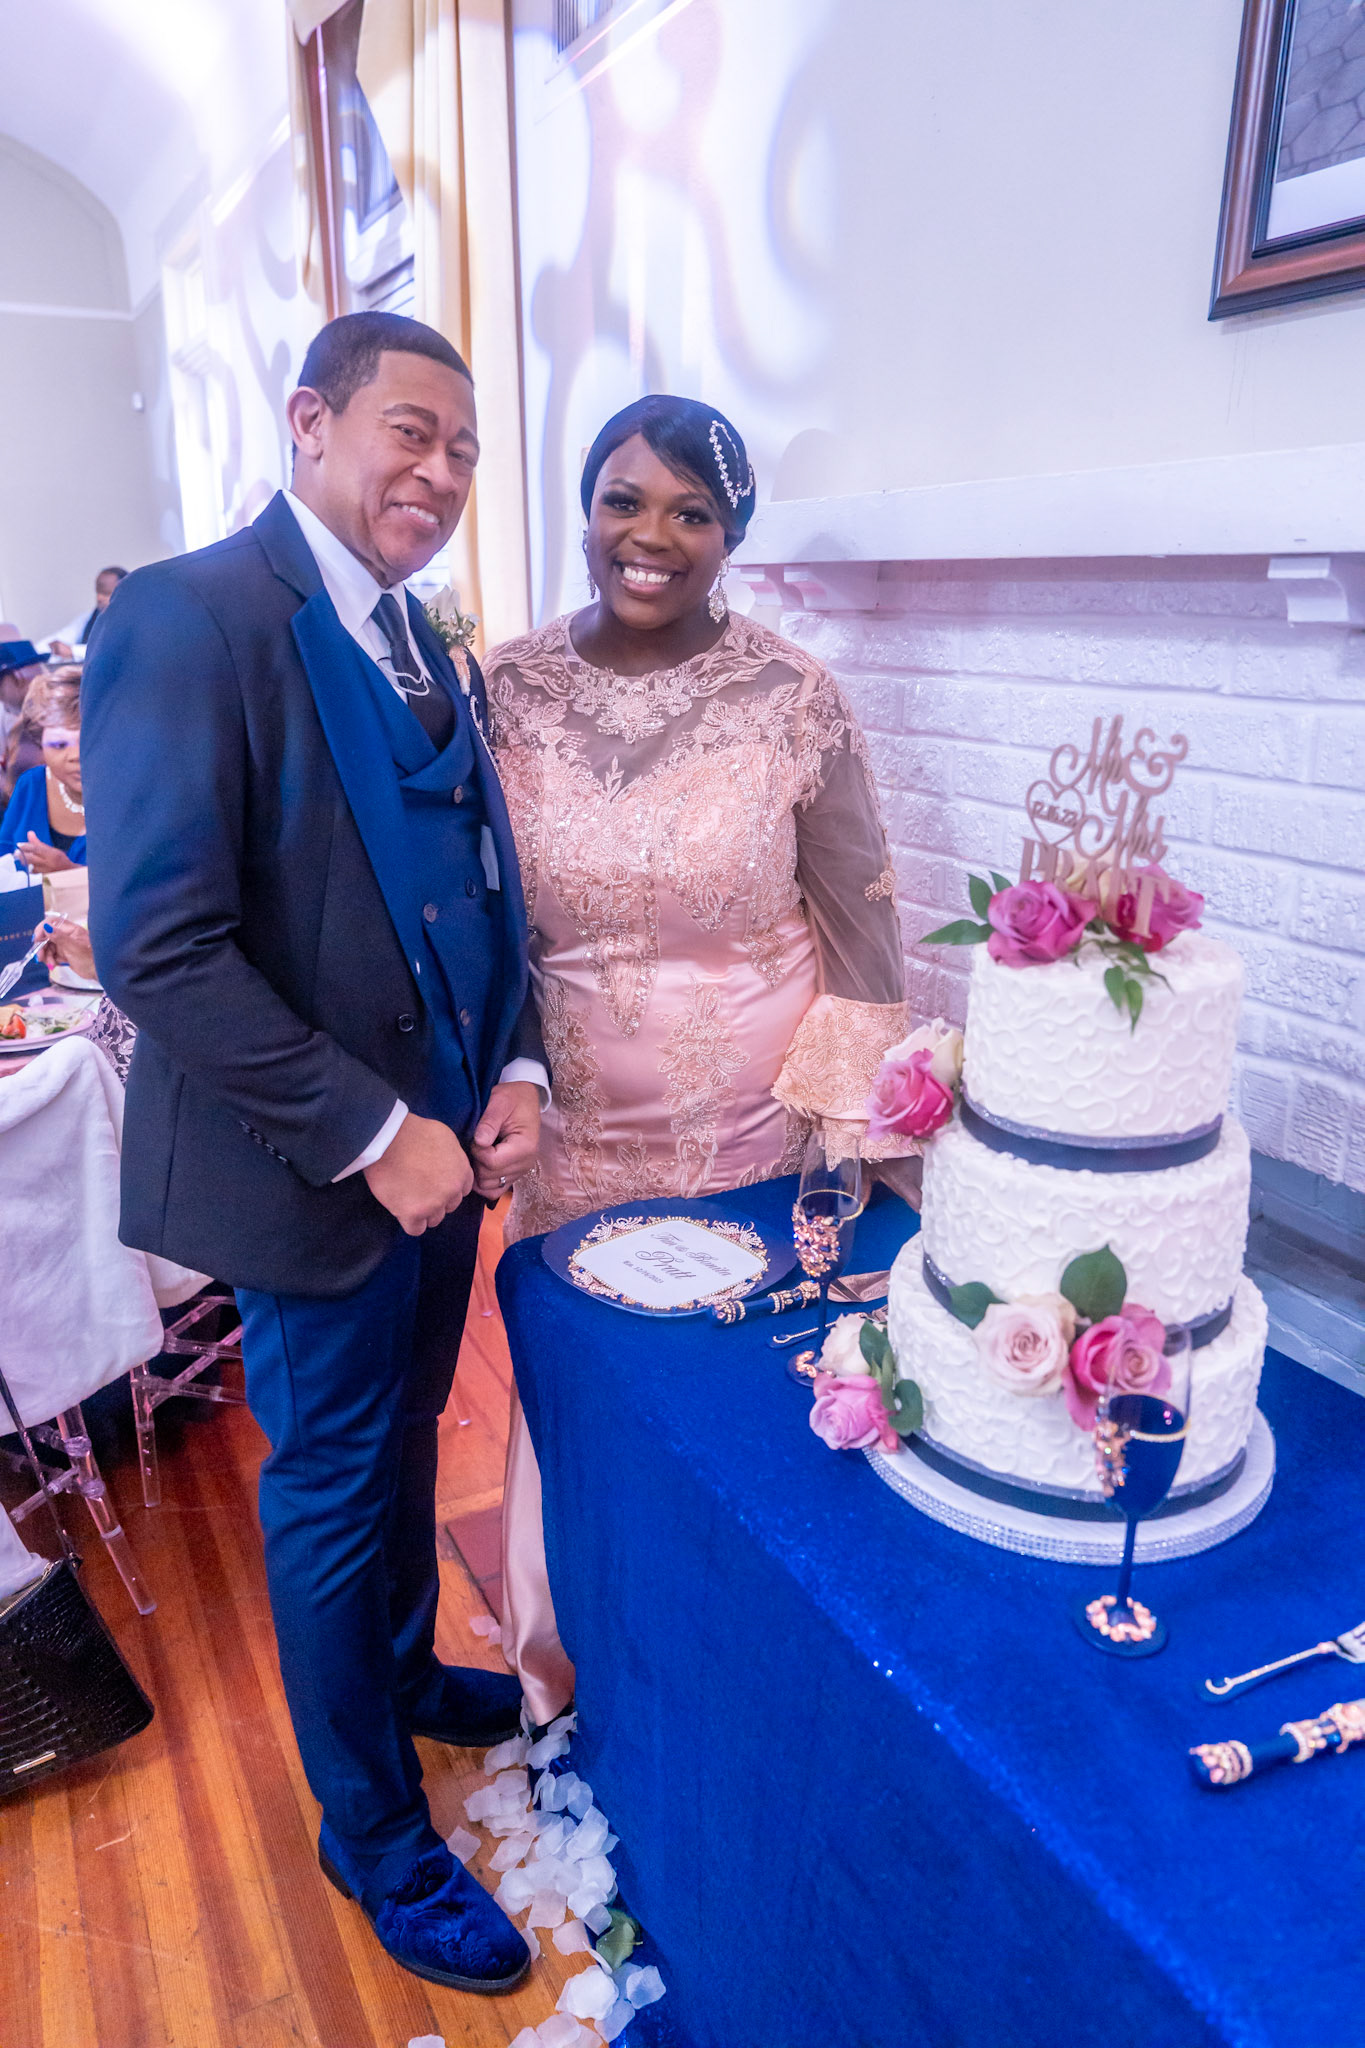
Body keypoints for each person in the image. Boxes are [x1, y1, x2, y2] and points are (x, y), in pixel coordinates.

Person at [82, 311, 548, 1996]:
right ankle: (372, 1832)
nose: (440, 470)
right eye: (410, 430)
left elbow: (479, 883)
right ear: (309, 420)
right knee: (336, 1490)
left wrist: (517, 1062)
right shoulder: (187, 616)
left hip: (450, 1148)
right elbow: (159, 945)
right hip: (312, 1168)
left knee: (409, 1436)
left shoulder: (425, 638)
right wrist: (368, 1132)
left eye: (464, 449)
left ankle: (408, 1673)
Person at [486, 394, 910, 1724]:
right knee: (585, 1393)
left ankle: (732, 1701)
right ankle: (570, 1672)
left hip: (750, 1133)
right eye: (625, 499)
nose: (652, 534)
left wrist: (841, 1138)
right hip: (569, 1129)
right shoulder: (505, 690)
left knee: (732, 1419)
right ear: (585, 508)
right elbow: (469, 912)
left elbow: (863, 927)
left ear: (732, 535)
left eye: (692, 511)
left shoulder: (793, 698)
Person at [0, 669, 85, 872]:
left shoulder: (132, 795)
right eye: (59, 745)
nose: (75, 755)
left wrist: (69, 872)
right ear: (40, 744)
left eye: (86, 741)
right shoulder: (31, 784)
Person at [0, 636, 48, 804]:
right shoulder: (66, 703)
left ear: (17, 676)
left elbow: (18, 798)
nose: (1, 700)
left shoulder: (30, 726)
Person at [46, 564, 127, 657]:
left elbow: (113, 651)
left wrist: (73, 651)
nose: (99, 598)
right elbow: (59, 639)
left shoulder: (131, 623)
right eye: (98, 591)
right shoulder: (88, 618)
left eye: (106, 593)